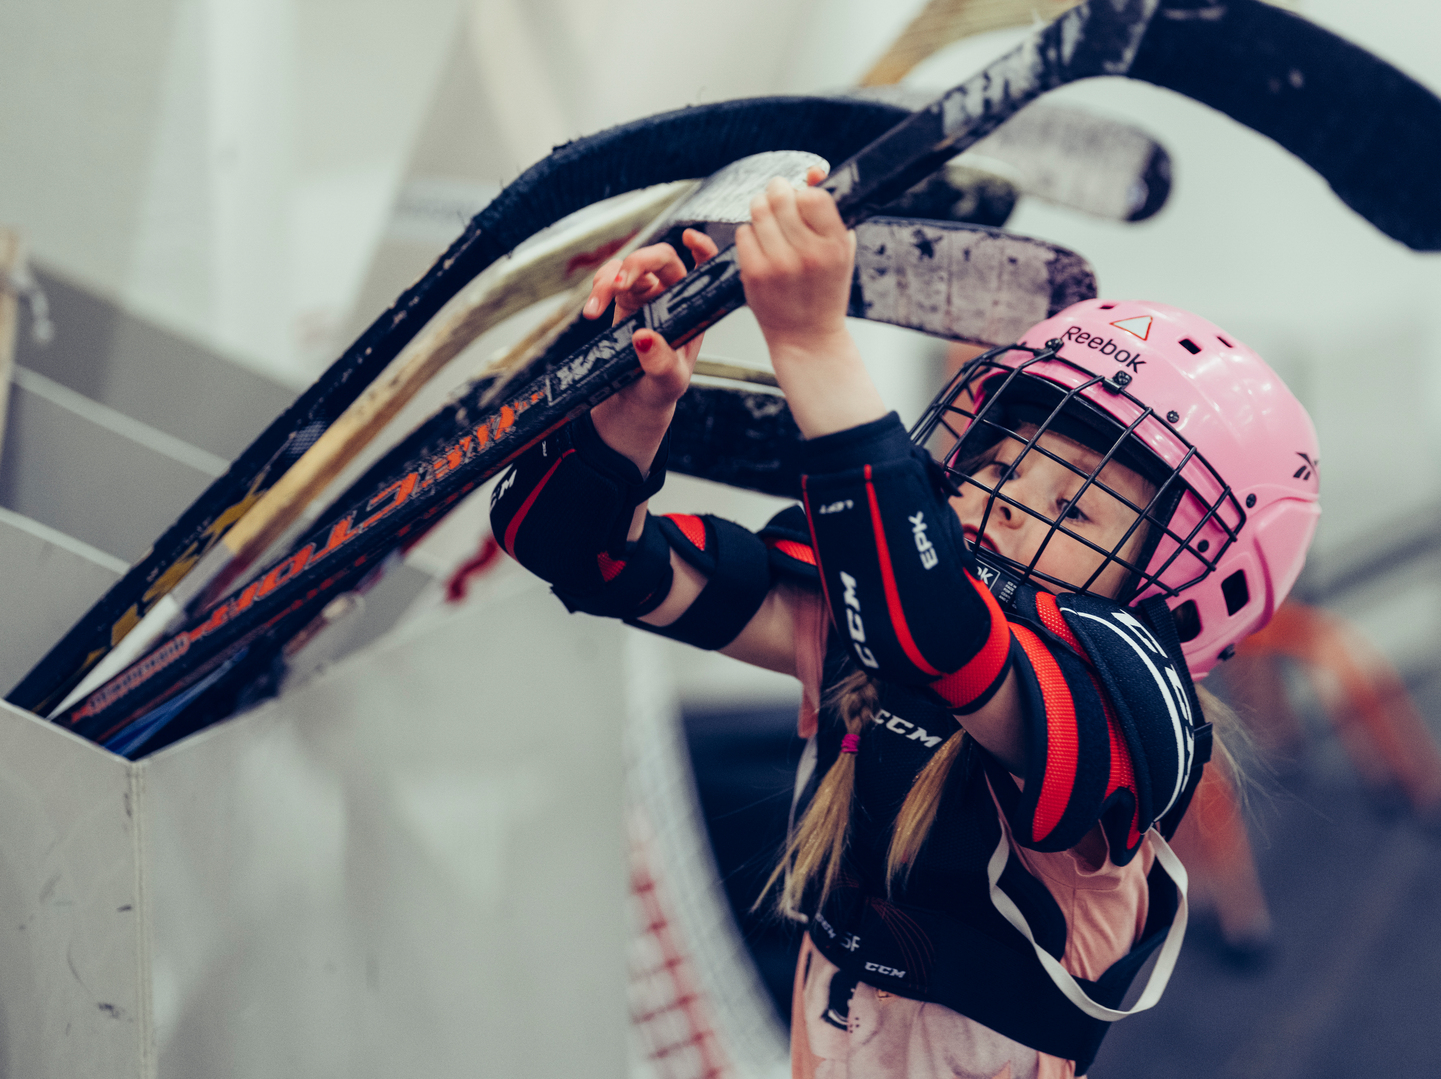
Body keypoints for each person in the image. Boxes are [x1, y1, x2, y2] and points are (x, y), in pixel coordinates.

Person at [488, 170, 1320, 1078]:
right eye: (998, 463)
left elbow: (940, 634)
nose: (1005, 502)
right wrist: (626, 417)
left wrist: (811, 341)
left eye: (1073, 508)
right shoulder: (863, 628)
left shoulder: (1130, 721)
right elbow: (591, 557)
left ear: (1182, 581)